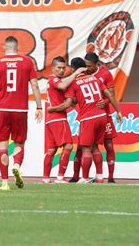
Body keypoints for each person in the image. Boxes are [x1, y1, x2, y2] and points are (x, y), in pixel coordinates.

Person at [0, 36, 43, 191]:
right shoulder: (27, 62)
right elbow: (35, 86)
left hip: (2, 109)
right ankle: (17, 164)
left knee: (3, 145)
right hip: (20, 109)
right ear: (17, 47)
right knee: (19, 143)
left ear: (5, 46)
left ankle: (4, 183)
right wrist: (39, 107)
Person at [63, 58, 122, 184]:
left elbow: (70, 102)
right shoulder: (96, 79)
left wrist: (57, 107)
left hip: (88, 118)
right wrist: (119, 111)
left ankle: (84, 178)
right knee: (95, 147)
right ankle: (100, 177)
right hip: (102, 116)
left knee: (86, 149)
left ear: (74, 69)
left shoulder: (74, 83)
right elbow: (110, 95)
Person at [43, 56, 87, 184]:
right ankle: (60, 177)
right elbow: (62, 86)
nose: (62, 70)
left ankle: (46, 178)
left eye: (64, 68)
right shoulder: (54, 79)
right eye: (59, 68)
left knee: (51, 150)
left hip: (50, 119)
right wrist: (76, 74)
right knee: (68, 145)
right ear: (53, 68)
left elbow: (69, 99)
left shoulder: (55, 80)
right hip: (58, 118)